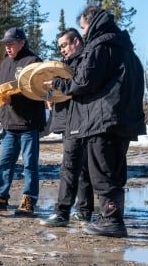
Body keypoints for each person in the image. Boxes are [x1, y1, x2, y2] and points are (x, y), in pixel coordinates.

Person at [46, 5, 146, 237]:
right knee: (114, 170)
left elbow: (84, 81)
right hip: (125, 120)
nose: (84, 32)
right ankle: (111, 217)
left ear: (92, 23)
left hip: (103, 120)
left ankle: (111, 220)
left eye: (83, 27)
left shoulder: (100, 46)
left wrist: (60, 86)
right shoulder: (128, 51)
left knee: (102, 171)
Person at [0, 27, 46, 216]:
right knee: (5, 164)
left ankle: (29, 200)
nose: (8, 48)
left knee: (29, 165)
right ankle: (1, 198)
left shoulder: (33, 62)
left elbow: (38, 91)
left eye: (11, 44)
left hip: (28, 124)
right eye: (6, 44)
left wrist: (14, 99)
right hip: (8, 125)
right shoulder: (5, 63)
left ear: (22, 43)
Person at [40, 28, 94, 227]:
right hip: (70, 121)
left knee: (72, 167)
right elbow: (58, 91)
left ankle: (62, 213)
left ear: (76, 42)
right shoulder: (65, 65)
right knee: (79, 168)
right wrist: (50, 98)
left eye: (64, 45)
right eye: (60, 47)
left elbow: (77, 87)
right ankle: (83, 211)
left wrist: (59, 85)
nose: (62, 50)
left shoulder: (84, 63)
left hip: (80, 121)